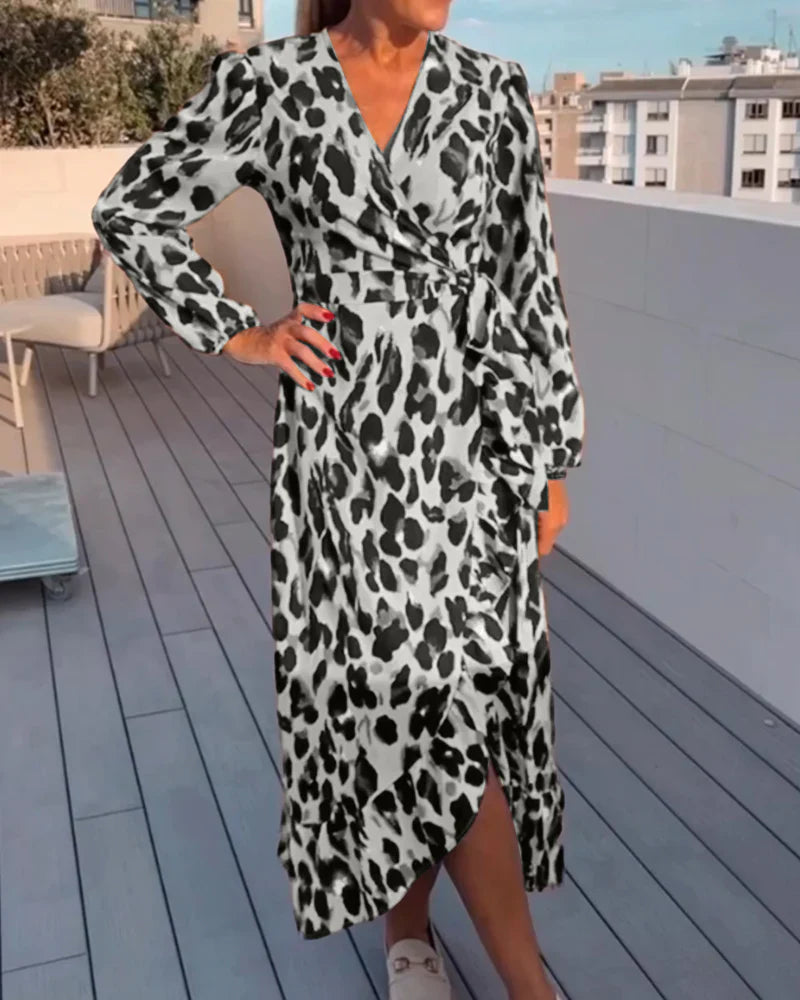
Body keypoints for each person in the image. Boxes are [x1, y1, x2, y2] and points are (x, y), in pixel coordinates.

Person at [91, 1, 586, 997]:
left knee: (455, 704)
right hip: (348, 455)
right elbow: (132, 208)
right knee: (395, 703)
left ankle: (436, 943)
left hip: (472, 446)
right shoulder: (273, 85)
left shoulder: (491, 91)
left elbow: (525, 280)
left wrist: (548, 456)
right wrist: (241, 331)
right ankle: (468, 956)